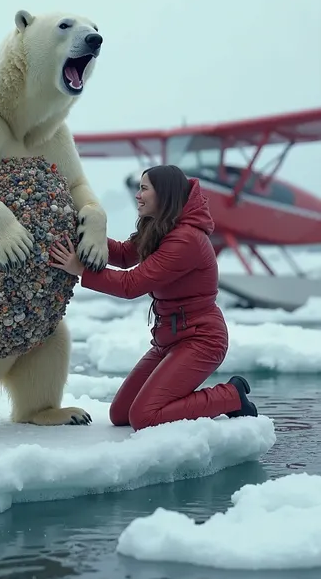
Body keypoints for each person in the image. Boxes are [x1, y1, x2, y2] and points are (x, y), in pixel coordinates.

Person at [49, 164, 258, 431]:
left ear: (164, 194)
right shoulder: (160, 227)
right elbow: (125, 255)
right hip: (169, 339)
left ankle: (230, 396)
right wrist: (84, 236)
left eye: (144, 188)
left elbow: (131, 285)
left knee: (144, 417)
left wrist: (81, 270)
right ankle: (181, 396)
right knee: (121, 413)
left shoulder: (186, 240)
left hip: (201, 340)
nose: (137, 195)